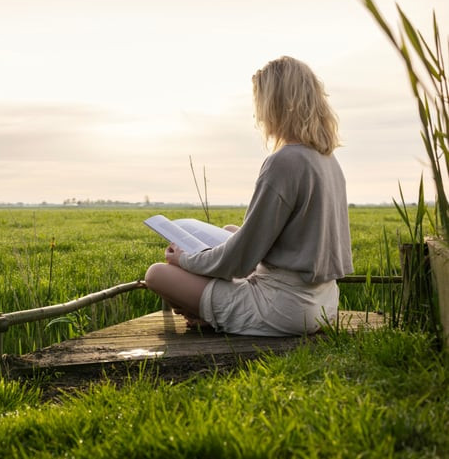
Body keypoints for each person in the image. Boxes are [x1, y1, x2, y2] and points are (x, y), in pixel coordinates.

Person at [145, 56, 353, 336]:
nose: (259, 114)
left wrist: (184, 260)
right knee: (232, 231)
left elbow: (239, 261)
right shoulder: (327, 160)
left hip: (285, 309)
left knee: (157, 274)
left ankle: (207, 317)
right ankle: (208, 313)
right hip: (324, 303)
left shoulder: (284, 161)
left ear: (275, 104)